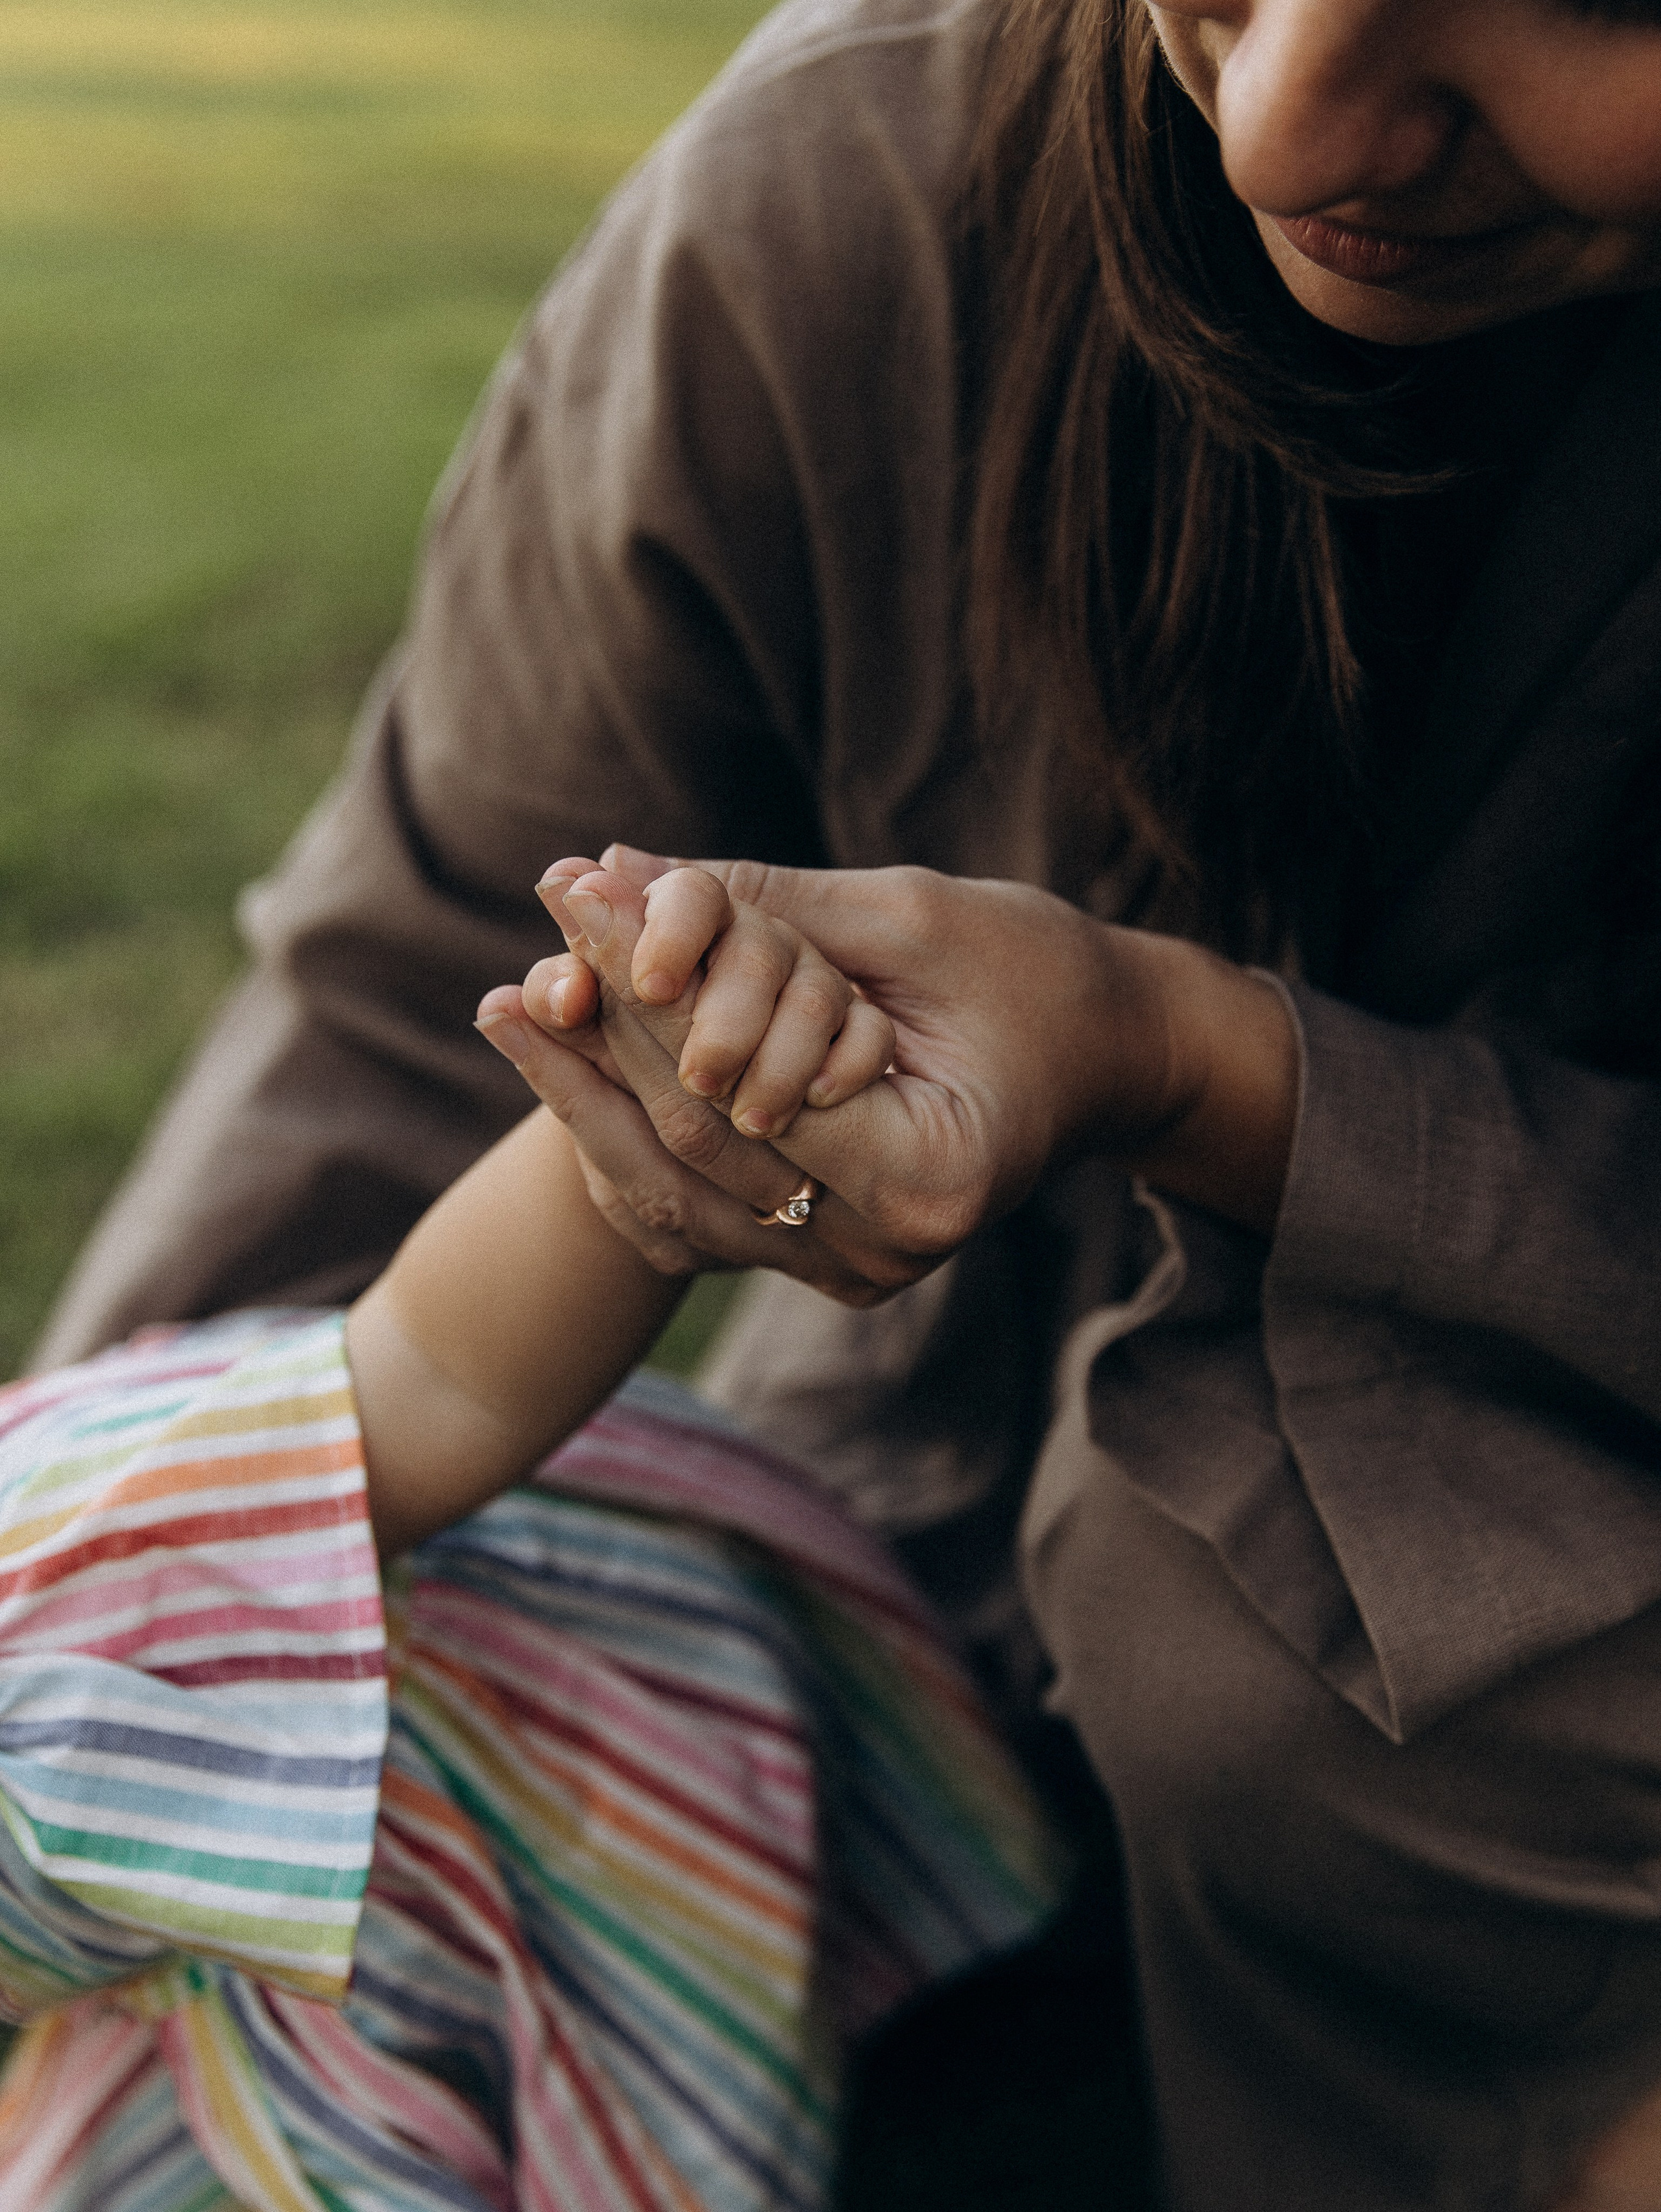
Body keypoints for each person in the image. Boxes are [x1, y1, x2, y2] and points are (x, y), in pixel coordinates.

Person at [29, 0, 1661, 2202]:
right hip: (915, 1733)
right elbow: (400, 1057)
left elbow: (412, 1383)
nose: (1287, 126)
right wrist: (93, 1635)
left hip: (1430, 1739)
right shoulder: (858, 184)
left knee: (1235, 1629)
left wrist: (1181, 1063)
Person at [0, 928, 1054, 2212]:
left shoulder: (72, 1615)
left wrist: (657, 1091)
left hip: (562, 1756)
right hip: (235, 1906)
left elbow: (433, 1370)